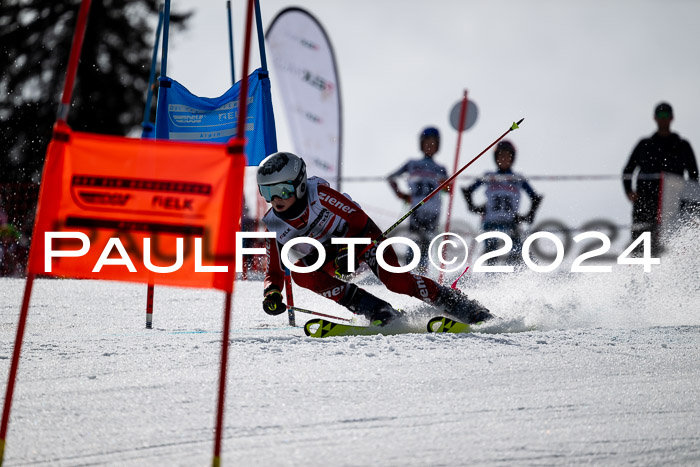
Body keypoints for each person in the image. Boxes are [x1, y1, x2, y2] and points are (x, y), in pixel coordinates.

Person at [257, 151, 493, 326]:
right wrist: (272, 292)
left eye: (283, 190)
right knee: (300, 274)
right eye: (267, 191)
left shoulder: (319, 194)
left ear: (299, 185)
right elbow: (275, 272)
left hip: (362, 237)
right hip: (330, 255)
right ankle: (376, 309)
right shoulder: (274, 224)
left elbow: (359, 220)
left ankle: (460, 305)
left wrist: (347, 249)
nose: (276, 198)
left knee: (397, 282)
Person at [623, 102, 698, 255]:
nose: (663, 118)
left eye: (666, 115)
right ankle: (636, 276)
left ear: (671, 118)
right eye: (660, 115)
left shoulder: (682, 145)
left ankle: (670, 274)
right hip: (645, 201)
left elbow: (694, 178)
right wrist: (629, 191)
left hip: (672, 203)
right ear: (655, 118)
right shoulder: (645, 145)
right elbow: (628, 171)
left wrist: (689, 206)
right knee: (641, 243)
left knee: (670, 243)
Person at [462, 141, 542, 265]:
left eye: (507, 156)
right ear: (496, 158)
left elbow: (535, 198)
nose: (504, 159)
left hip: (511, 225)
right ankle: (491, 282)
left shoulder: (517, 178)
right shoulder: (489, 176)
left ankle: (513, 281)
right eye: (501, 156)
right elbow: (467, 191)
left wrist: (528, 216)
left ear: (512, 158)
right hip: (490, 224)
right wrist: (475, 208)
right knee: (491, 258)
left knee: (516, 257)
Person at [387, 127, 448, 272]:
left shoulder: (440, 168)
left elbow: (447, 190)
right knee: (414, 241)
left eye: (433, 144)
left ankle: (422, 273)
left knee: (426, 243)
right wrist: (400, 194)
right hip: (416, 209)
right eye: (427, 143)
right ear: (421, 144)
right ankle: (409, 272)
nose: (430, 146)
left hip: (433, 210)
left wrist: (445, 185)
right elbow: (391, 178)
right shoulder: (412, 163)